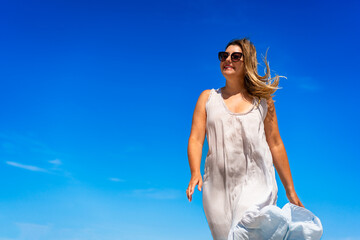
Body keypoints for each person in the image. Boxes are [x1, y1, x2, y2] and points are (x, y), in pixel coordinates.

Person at [186, 38, 323, 240]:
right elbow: (196, 139)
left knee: (245, 231)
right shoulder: (208, 98)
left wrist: (290, 191)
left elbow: (275, 144)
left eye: (235, 56)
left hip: (256, 182)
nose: (228, 59)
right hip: (216, 186)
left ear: (247, 61)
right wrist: (195, 172)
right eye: (224, 56)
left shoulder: (263, 102)